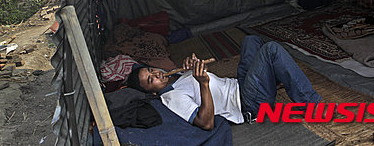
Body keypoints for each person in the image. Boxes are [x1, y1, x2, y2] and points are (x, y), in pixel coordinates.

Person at [127, 35, 321, 130]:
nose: (157, 75)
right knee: (271, 50)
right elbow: (206, 123)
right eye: (150, 80)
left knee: (250, 41)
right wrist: (202, 83)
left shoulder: (175, 77)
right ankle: (313, 106)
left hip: (239, 85)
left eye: (152, 71)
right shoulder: (171, 97)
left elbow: (213, 84)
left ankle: (272, 76)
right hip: (247, 103)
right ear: (152, 92)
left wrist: (193, 67)